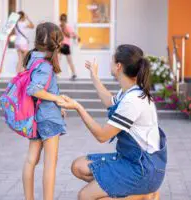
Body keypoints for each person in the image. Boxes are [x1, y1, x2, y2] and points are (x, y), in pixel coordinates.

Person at [58, 44, 167, 200]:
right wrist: (94, 77)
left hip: (143, 169)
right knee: (78, 167)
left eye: (111, 60)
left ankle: (144, 194)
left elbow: (102, 136)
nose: (109, 63)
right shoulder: (129, 91)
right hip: (132, 160)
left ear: (118, 66)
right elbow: (110, 101)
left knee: (85, 196)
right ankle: (139, 192)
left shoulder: (133, 101)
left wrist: (77, 107)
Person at [22, 22, 67, 200]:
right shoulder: (45, 65)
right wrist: (57, 99)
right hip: (48, 118)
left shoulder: (32, 57)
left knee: (31, 159)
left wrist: (56, 102)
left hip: (36, 116)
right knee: (50, 164)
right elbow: (34, 89)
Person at [59, 14, 80, 80]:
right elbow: (73, 34)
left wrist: (76, 37)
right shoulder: (66, 27)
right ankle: (74, 74)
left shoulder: (61, 27)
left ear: (60, 19)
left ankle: (73, 73)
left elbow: (72, 34)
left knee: (58, 60)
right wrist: (77, 37)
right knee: (68, 61)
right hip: (63, 45)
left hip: (62, 45)